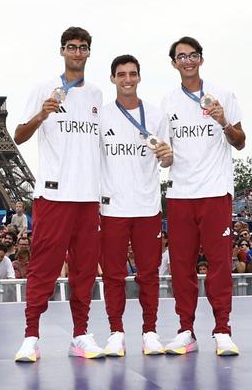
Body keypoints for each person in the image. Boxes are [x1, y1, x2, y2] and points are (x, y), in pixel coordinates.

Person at [12, 27, 104, 362]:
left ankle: (80, 334)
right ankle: (31, 336)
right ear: (62, 51)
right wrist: (42, 113)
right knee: (43, 268)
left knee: (83, 270)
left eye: (83, 48)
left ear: (89, 53)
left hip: (88, 197)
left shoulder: (96, 95)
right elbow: (19, 136)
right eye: (71, 47)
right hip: (53, 195)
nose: (77, 53)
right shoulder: (43, 89)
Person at [161, 36, 244, 357]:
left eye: (192, 55)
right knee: (181, 266)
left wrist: (223, 120)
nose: (187, 61)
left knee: (219, 264)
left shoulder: (223, 95)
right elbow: (166, 156)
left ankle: (222, 329)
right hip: (181, 194)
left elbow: (240, 142)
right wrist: (162, 154)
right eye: (181, 56)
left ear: (201, 59)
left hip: (214, 191)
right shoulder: (167, 103)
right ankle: (186, 329)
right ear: (173, 64)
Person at [97, 54, 171, 358]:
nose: (127, 79)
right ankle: (116, 332)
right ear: (113, 78)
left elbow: (167, 159)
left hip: (147, 207)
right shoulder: (100, 116)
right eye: (121, 74)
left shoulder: (155, 115)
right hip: (112, 208)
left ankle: (150, 331)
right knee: (113, 275)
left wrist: (167, 156)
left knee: (149, 273)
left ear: (139, 77)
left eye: (133, 74)